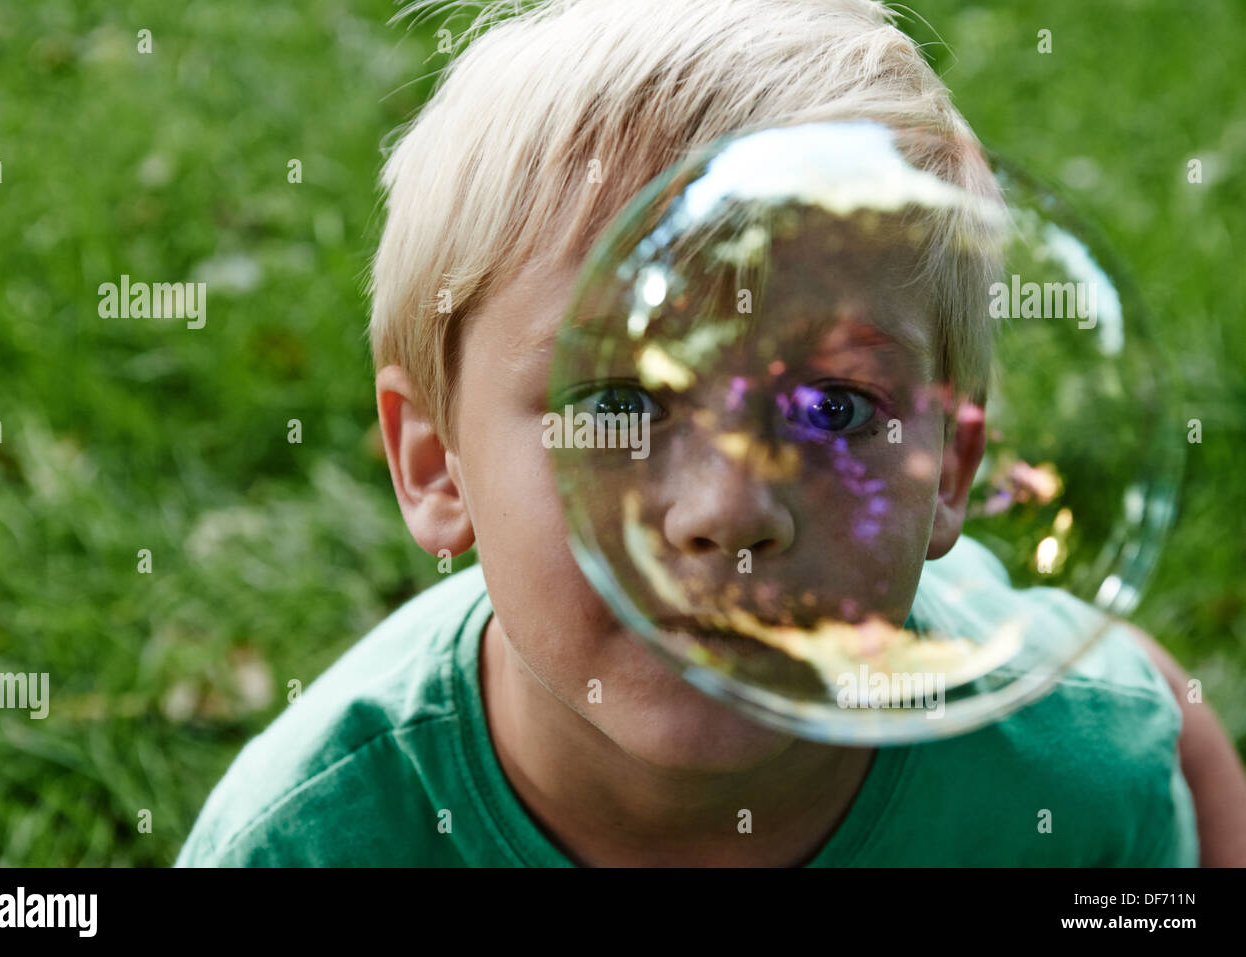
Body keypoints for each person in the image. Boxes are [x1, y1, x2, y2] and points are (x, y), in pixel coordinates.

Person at [177, 0, 1246, 867]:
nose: (729, 511)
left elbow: (1149, 721)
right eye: (615, 405)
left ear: (948, 472)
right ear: (431, 463)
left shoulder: (1072, 779)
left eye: (832, 408)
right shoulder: (310, 841)